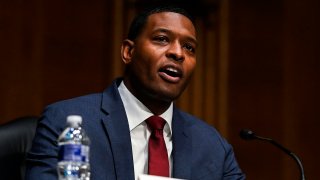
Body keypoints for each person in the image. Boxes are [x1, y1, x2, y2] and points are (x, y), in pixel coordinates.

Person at [25, 5, 245, 180]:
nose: (178, 53)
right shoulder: (68, 122)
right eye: (162, 39)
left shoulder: (213, 146)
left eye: (189, 47)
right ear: (129, 51)